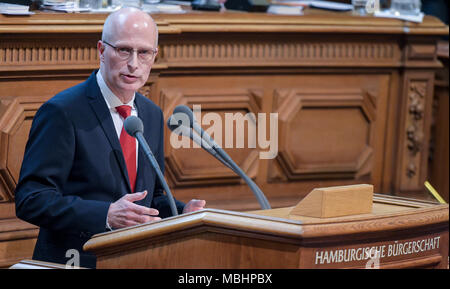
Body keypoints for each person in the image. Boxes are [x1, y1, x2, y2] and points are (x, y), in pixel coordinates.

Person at [14, 8, 206, 269]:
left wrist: (181, 212)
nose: (134, 64)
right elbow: (31, 199)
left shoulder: (150, 115)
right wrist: (105, 215)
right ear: (102, 51)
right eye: (124, 50)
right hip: (74, 260)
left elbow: (151, 197)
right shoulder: (63, 111)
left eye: (144, 53)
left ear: (155, 56)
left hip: (135, 260)